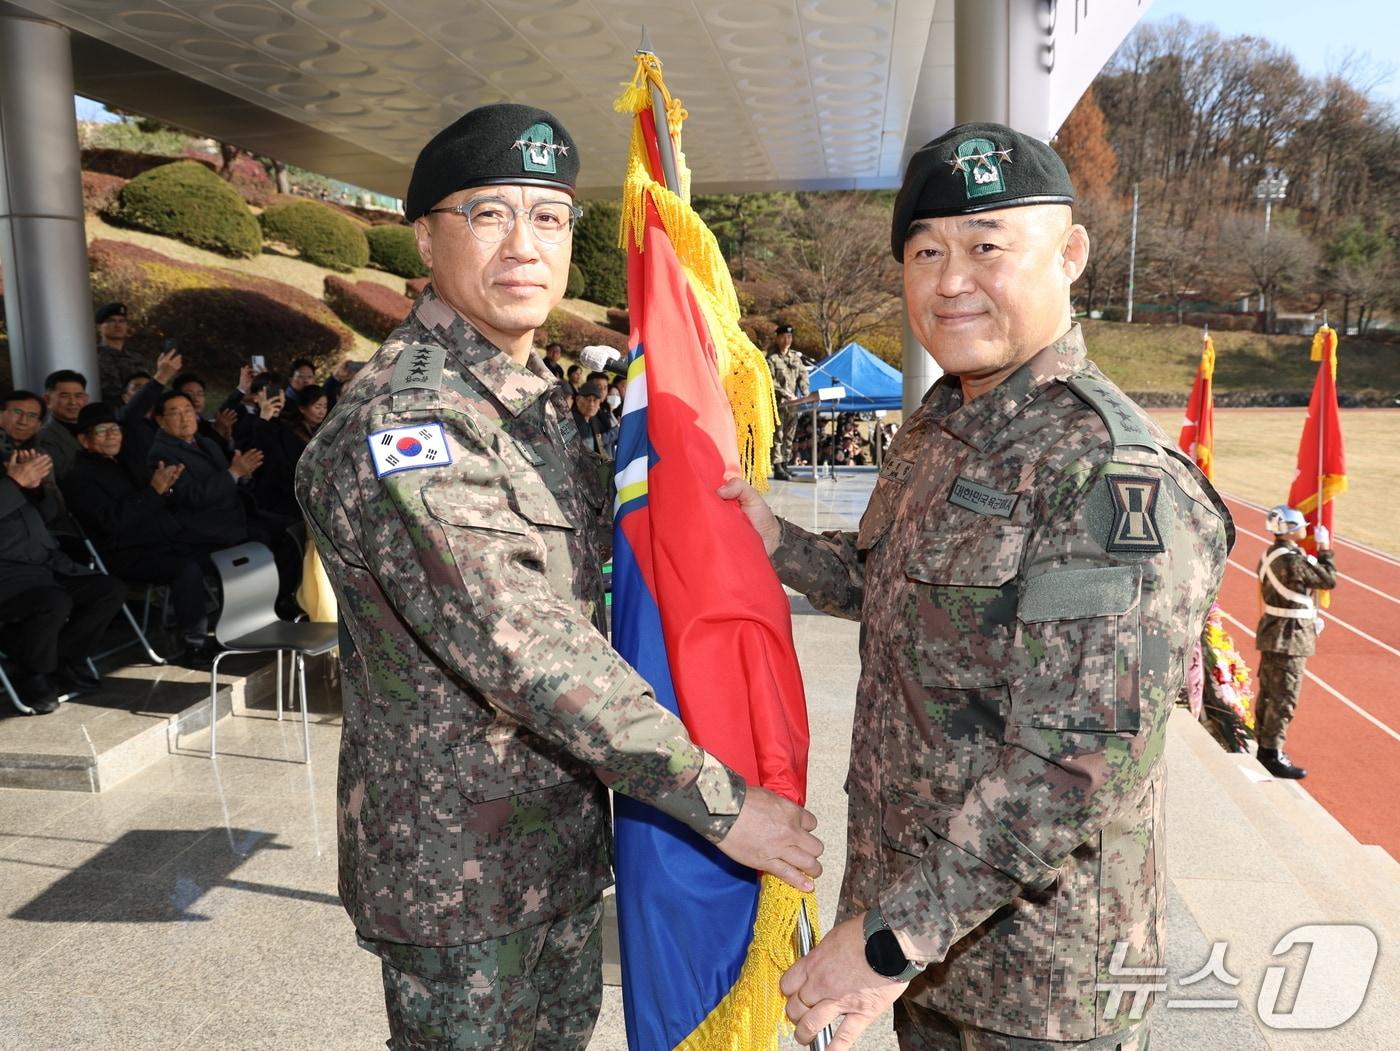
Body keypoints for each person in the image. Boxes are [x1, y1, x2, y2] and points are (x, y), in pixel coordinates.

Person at [294, 102, 822, 1051]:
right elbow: (522, 645)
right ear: (424, 234)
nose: (524, 245)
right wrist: (719, 800)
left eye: (549, 217)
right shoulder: (412, 422)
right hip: (461, 881)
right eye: (488, 214)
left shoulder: (529, 403)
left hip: (557, 849)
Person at [721, 121, 1233, 1051]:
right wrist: (772, 539)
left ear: (1070, 254)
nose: (952, 280)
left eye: (987, 247)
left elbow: (1072, 766)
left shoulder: (1113, 473)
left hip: (1038, 989)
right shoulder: (945, 425)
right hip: (930, 955)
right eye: (926, 250)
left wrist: (884, 942)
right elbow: (902, 584)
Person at [62, 403, 216, 664]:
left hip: (158, 540)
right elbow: (112, 522)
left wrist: (165, 487)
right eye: (102, 430)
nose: (112, 434)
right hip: (123, 553)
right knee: (185, 568)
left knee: (215, 550)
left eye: (115, 428)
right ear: (83, 439)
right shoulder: (78, 477)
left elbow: (151, 500)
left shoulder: (122, 462)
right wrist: (154, 491)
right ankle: (195, 643)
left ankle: (230, 625)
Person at [0, 446, 127, 711]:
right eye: (17, 413)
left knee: (108, 589)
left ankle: (64, 659)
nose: (25, 421)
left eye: (33, 416)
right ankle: (33, 673)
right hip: (8, 576)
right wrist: (14, 483)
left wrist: (34, 488)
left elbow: (50, 517)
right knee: (53, 601)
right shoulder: (13, 474)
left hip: (46, 564)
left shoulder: (11, 457)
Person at [1253, 505, 1336, 779]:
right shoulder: (1291, 560)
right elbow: (1328, 579)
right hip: (1289, 637)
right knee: (1284, 695)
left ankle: (1265, 748)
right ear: (1289, 529)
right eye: (1301, 524)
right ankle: (1272, 752)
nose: (1306, 528)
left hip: (1275, 631)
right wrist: (1325, 550)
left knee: (1269, 692)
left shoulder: (1271, 554)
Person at [767, 324, 809, 481]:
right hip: (779, 404)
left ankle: (785, 463)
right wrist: (784, 393)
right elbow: (770, 381)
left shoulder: (795, 358)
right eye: (784, 336)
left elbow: (803, 375)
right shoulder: (772, 359)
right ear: (778, 338)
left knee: (789, 435)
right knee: (778, 434)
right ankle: (777, 466)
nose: (787, 340)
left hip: (793, 404)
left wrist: (805, 391)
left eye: (790, 337)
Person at [35, 369, 90, 479]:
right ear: (47, 400)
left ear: (86, 399)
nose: (73, 402)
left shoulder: (94, 429)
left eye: (78, 396)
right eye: (64, 396)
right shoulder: (44, 437)